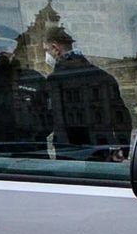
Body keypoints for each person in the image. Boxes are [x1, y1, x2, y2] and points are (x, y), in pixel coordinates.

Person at [42, 27, 131, 159]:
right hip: (101, 150)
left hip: (69, 154)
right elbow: (121, 116)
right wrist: (124, 148)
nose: (46, 54)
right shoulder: (103, 76)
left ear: (55, 48)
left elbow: (54, 120)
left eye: (46, 50)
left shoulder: (55, 80)